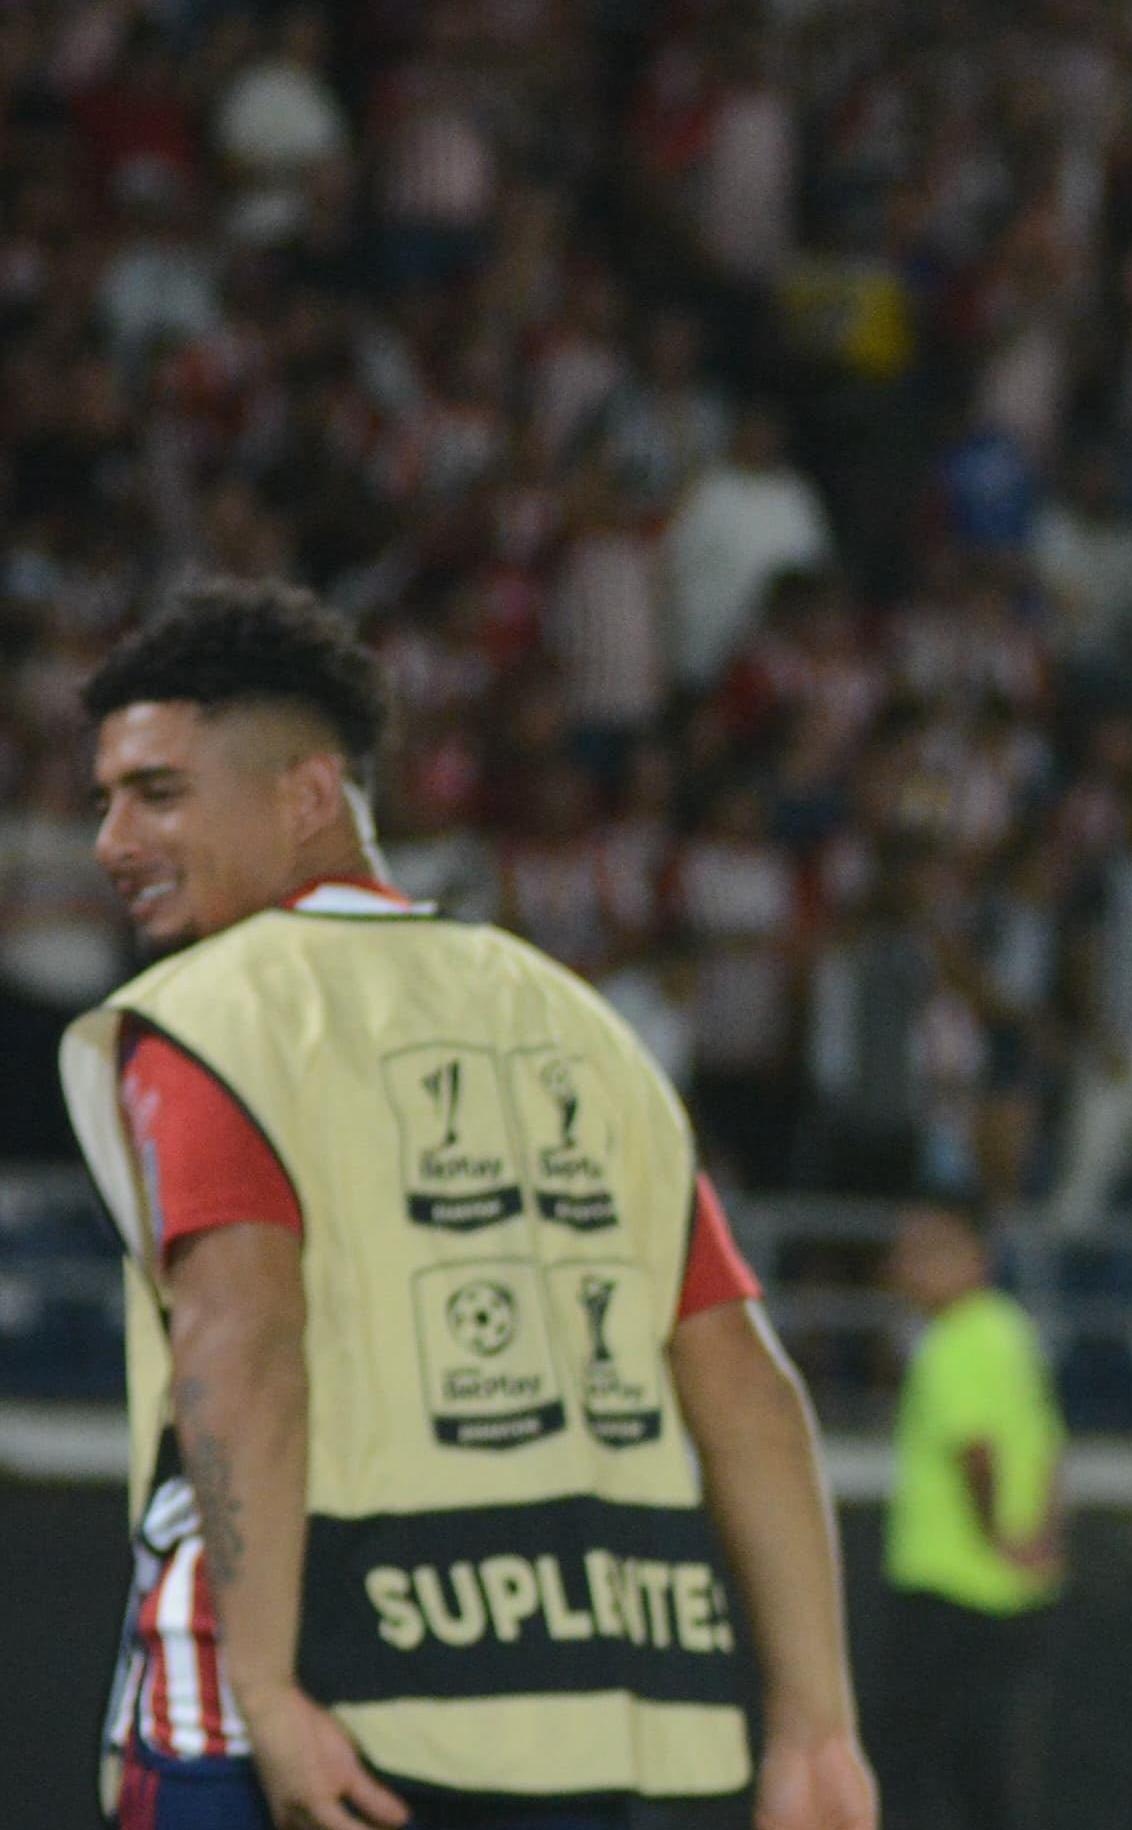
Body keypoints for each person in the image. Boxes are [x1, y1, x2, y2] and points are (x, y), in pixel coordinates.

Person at [58, 581, 873, 1829]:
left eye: (157, 793)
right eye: (103, 800)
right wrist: (818, 1727)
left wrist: (269, 1693)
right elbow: (747, 1384)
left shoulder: (217, 1013)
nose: (111, 841)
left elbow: (245, 1346)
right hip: (566, 1715)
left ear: (309, 795)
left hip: (296, 1715)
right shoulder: (575, 1017)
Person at [876, 1203, 1063, 1830]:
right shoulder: (1012, 1329)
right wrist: (1041, 1541)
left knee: (911, 1774)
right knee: (997, 1781)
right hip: (1014, 1597)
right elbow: (1047, 1448)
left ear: (974, 1259)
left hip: (944, 1585)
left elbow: (975, 1453)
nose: (905, 1267)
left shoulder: (951, 1341)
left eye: (928, 1250)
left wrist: (996, 1537)